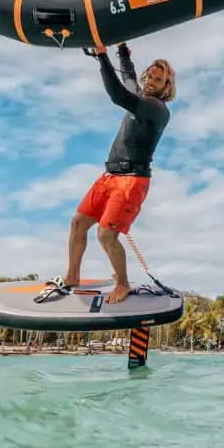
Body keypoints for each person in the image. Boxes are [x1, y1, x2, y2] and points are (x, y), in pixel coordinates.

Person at [57, 42, 175, 304]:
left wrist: (102, 56)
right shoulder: (141, 97)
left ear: (166, 87)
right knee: (78, 223)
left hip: (132, 181)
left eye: (158, 80)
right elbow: (129, 78)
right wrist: (122, 51)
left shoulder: (156, 109)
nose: (151, 81)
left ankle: (122, 284)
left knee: (106, 234)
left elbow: (118, 95)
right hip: (109, 177)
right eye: (150, 76)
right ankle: (72, 275)